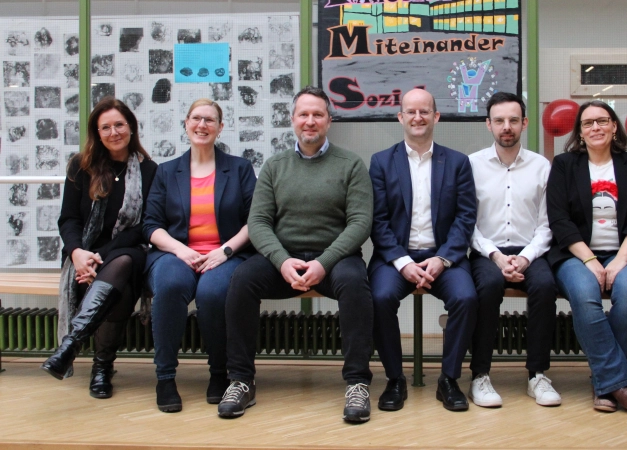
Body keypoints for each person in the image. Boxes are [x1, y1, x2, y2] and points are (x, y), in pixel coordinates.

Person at [217, 86, 374, 424]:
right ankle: (241, 380)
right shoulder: (275, 166)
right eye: (303, 114)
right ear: (292, 120)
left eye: (318, 114)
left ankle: (358, 383)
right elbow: (257, 222)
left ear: (329, 121)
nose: (310, 121)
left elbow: (360, 222)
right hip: (283, 259)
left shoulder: (351, 164)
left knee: (356, 284)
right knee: (241, 280)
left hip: (335, 260)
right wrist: (281, 260)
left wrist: (324, 263)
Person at [143, 99, 256, 413]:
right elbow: (151, 225)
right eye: (196, 118)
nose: (202, 125)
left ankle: (219, 373)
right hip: (176, 253)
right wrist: (181, 250)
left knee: (211, 292)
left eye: (210, 120)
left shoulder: (239, 168)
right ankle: (165, 377)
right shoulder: (166, 172)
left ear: (220, 128)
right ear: (186, 124)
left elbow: (255, 221)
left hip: (226, 254)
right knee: (168, 286)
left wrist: (225, 251)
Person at [369, 88, 478, 412]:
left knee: (466, 298)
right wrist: (403, 263)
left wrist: (443, 259)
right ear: (400, 117)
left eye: (425, 111)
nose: (418, 117)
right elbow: (378, 221)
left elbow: (465, 217)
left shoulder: (457, 162)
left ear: (436, 117)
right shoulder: (381, 162)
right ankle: (394, 379)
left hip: (444, 256)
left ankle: (448, 379)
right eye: (411, 112)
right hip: (395, 258)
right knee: (379, 298)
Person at [42, 97, 157, 400]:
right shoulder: (81, 167)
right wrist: (78, 254)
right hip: (82, 255)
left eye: (119, 124)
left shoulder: (149, 170)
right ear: (97, 132)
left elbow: (141, 227)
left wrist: (98, 260)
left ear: (131, 127)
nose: (113, 131)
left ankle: (73, 344)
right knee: (117, 290)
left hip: (126, 252)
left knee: (123, 264)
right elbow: (68, 219)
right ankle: (101, 366)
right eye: (105, 127)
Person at [546, 100, 627, 416]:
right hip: (576, 256)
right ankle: (619, 386)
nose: (596, 128)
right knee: (585, 296)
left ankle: (605, 383)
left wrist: (620, 260)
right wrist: (591, 260)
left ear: (614, 126)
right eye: (588, 123)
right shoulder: (566, 165)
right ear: (580, 132)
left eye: (602, 121)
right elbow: (559, 219)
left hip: (626, 253)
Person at [467, 92, 560, 408]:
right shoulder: (472, 165)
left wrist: (525, 256)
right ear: (488, 125)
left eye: (513, 120)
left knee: (546, 286)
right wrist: (495, 255)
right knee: (489, 287)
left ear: (525, 123)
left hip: (530, 251)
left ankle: (537, 374)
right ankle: (480, 374)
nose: (506, 126)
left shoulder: (541, 166)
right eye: (499, 121)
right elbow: (468, 223)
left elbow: (548, 224)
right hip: (486, 252)